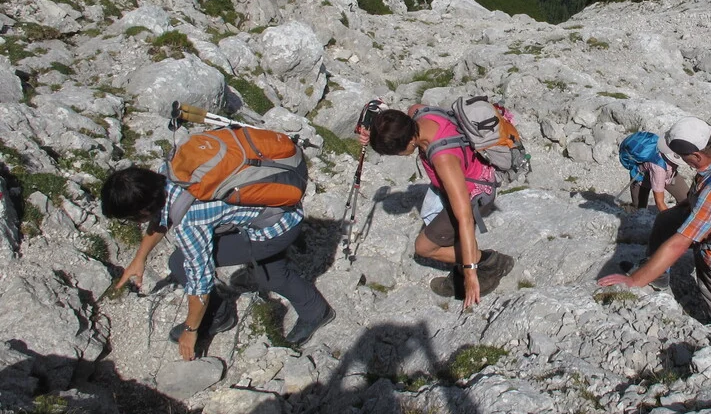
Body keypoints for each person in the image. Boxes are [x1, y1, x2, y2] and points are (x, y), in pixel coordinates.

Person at [102, 167, 335, 360]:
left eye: (130, 219)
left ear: (142, 210)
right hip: (279, 206)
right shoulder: (172, 171)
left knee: (183, 262)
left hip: (277, 226)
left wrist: (191, 331)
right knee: (265, 272)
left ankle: (221, 315)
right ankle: (311, 308)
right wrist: (139, 258)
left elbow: (199, 281)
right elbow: (162, 217)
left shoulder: (190, 220)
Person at [598, 117, 711, 330]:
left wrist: (634, 282)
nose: (680, 162)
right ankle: (658, 274)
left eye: (683, 158)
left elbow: (679, 243)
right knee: (667, 220)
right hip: (708, 207)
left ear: (697, 156)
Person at [361, 104, 514, 310]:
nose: (399, 156)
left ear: (410, 141)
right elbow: (400, 115)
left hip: (475, 190)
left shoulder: (443, 158)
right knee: (437, 227)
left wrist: (469, 273)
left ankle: (489, 263)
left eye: (397, 152)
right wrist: (372, 132)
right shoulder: (417, 113)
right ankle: (473, 260)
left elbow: (465, 218)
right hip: (465, 173)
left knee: (424, 248)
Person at [623, 132, 689, 212]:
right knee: (639, 210)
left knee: (687, 200)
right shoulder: (659, 169)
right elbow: (659, 202)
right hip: (642, 179)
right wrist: (670, 221)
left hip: (669, 175)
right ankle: (626, 210)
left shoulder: (669, 149)